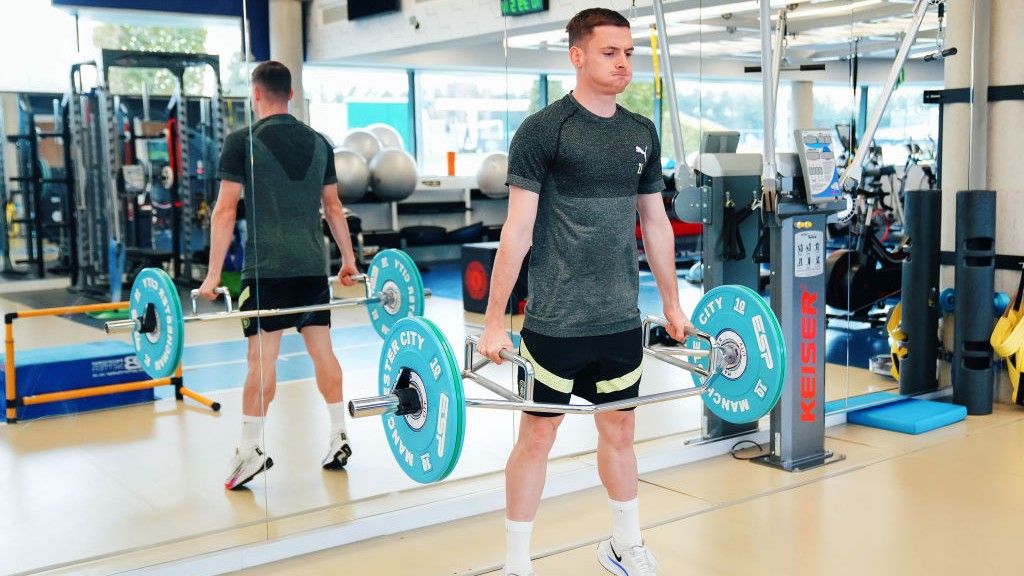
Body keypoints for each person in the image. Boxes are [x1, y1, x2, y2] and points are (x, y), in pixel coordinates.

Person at [475, 8, 694, 576]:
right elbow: (517, 231)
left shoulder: (641, 131)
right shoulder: (544, 130)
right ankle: (517, 563)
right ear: (577, 55)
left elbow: (656, 225)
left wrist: (671, 303)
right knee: (537, 437)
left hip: (621, 317)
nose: (623, 62)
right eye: (609, 52)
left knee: (620, 430)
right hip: (555, 321)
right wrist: (495, 321)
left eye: (628, 53)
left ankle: (626, 546)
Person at [200, 61, 360, 490]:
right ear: (290, 94)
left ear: (256, 94)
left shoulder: (241, 142)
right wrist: (348, 260)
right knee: (323, 355)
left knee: (260, 362)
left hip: (266, 272)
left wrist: (213, 276)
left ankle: (250, 448)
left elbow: (225, 210)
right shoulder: (320, 142)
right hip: (311, 268)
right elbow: (332, 208)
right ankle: (337, 433)